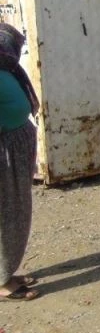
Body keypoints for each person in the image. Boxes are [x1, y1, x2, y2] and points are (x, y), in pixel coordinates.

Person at [0, 23, 40, 301]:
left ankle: (6, 271)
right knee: (8, 214)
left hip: (14, 148)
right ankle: (2, 283)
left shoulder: (6, 66)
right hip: (4, 153)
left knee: (14, 212)